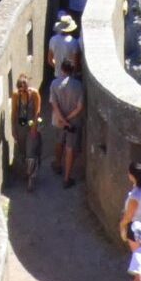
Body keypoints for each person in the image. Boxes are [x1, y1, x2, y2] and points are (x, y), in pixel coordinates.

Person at [49, 58, 86, 186]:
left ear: (62, 69)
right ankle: (67, 178)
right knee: (70, 148)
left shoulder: (54, 84)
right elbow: (80, 107)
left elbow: (54, 105)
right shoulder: (79, 85)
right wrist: (69, 119)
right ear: (73, 70)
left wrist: (63, 120)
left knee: (59, 142)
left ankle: (58, 164)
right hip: (73, 122)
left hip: (59, 120)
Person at [9, 74, 43, 192]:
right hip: (21, 124)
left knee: (31, 150)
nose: (24, 92)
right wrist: (13, 128)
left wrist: (34, 126)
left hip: (32, 123)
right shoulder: (15, 95)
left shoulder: (34, 94)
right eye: (21, 90)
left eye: (25, 89)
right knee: (22, 149)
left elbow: (38, 111)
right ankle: (26, 171)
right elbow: (14, 113)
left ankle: (31, 178)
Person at [119, 160, 141, 243]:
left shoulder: (135, 196)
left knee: (137, 250)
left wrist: (122, 225)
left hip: (137, 225)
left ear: (132, 176)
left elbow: (129, 216)